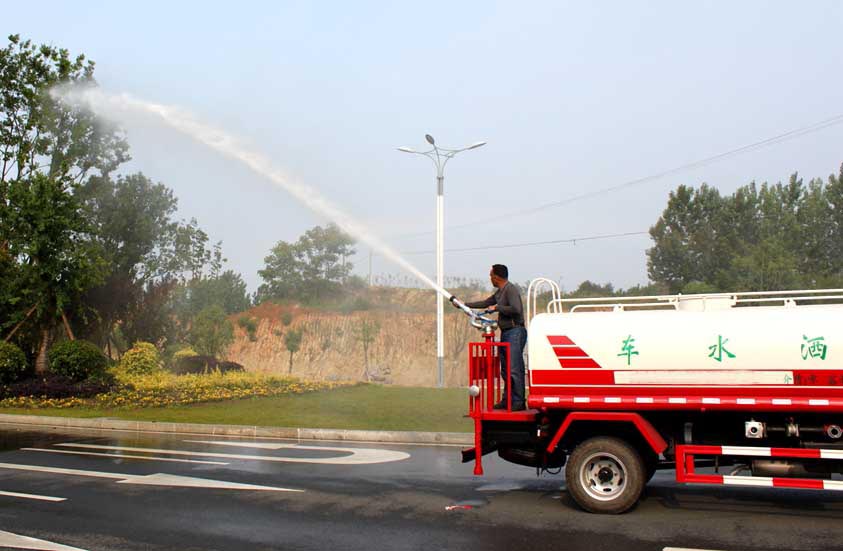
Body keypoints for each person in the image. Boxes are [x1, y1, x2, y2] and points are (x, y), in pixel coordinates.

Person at [451, 264, 527, 411]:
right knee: (505, 369)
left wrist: (497, 308)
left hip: (515, 332)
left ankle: (518, 402)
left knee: (514, 369)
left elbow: (516, 309)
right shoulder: (500, 292)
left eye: (491, 275)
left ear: (496, 277)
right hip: (506, 332)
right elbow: (486, 303)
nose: (490, 278)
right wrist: (463, 305)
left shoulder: (510, 290)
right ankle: (508, 399)